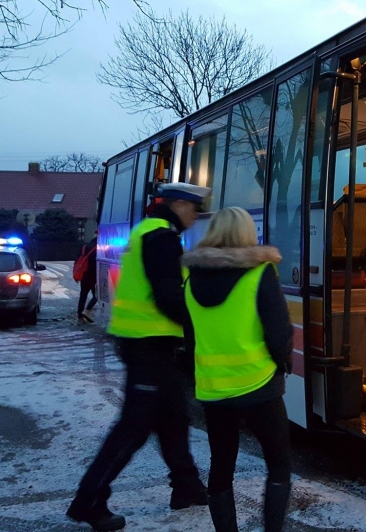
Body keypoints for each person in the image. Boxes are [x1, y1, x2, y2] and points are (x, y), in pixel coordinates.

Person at [67, 183, 211, 532]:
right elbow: (167, 296)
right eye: (193, 208)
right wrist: (199, 329)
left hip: (146, 343)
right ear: (178, 205)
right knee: (132, 429)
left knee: (174, 417)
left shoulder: (146, 231)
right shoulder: (161, 237)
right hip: (147, 345)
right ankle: (89, 501)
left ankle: (186, 487)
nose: (196, 215)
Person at [182, 207, 293, 532]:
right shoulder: (261, 273)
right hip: (260, 385)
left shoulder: (190, 280)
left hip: (214, 390)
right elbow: (278, 330)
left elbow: (191, 340)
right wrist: (282, 363)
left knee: (221, 467)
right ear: (247, 234)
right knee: (278, 464)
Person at [77, 230, 99, 323]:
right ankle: (87, 310)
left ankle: (79, 316)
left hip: (84, 274)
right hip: (94, 275)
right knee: (97, 295)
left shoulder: (84, 247)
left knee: (83, 294)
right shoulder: (100, 247)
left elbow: (78, 260)